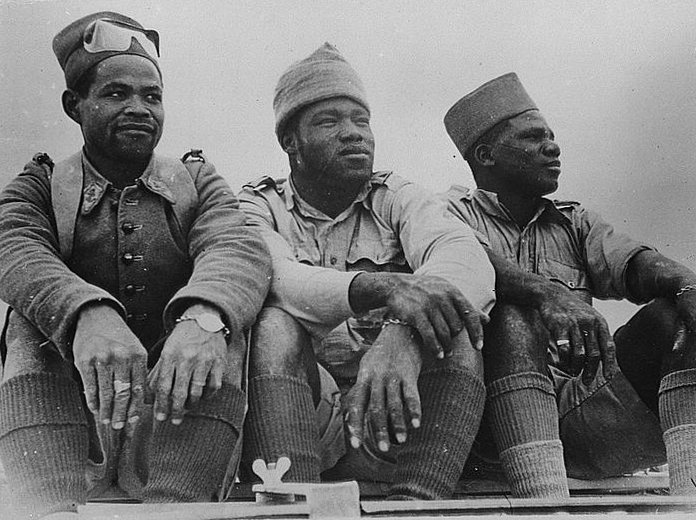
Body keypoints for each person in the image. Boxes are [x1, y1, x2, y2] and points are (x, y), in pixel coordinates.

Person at [0, 12, 271, 518]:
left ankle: (179, 505)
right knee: (24, 325)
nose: (139, 109)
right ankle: (46, 508)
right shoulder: (42, 183)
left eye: (152, 96)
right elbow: (13, 244)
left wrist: (204, 317)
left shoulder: (195, 179)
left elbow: (236, 245)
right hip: (78, 413)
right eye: (116, 94)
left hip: (176, 406)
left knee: (226, 326)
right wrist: (86, 314)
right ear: (73, 105)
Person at [236, 42, 495, 500]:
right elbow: (279, 279)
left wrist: (402, 333)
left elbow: (463, 253)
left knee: (448, 313)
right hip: (301, 414)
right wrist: (387, 287)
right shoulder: (258, 206)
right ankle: (290, 504)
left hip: (390, 412)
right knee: (274, 324)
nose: (354, 134)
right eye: (329, 121)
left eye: (361, 120)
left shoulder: (395, 194)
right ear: (290, 142)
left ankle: (418, 503)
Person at [442, 72, 696, 498]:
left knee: (680, 313)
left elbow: (634, 263)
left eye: (552, 136)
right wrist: (547, 292)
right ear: (486, 155)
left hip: (585, 413)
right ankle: (544, 500)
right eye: (532, 137)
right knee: (512, 314)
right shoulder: (447, 214)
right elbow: (467, 262)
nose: (553, 147)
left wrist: (687, 285)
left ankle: (689, 495)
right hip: (494, 430)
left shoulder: (575, 222)